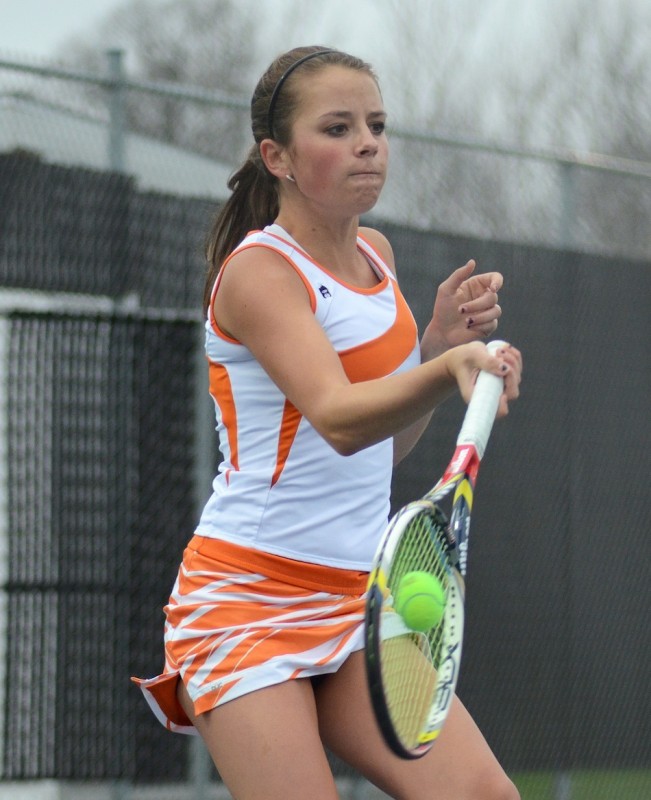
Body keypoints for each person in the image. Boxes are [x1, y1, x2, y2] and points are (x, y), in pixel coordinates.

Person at [133, 45, 522, 800]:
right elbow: (340, 420)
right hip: (245, 599)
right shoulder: (257, 273)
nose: (367, 143)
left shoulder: (375, 257)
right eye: (337, 128)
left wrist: (437, 345)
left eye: (375, 125)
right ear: (275, 156)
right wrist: (444, 367)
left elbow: (379, 447)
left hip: (355, 598)